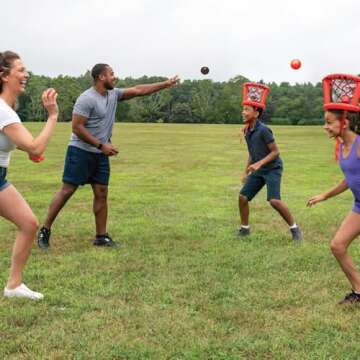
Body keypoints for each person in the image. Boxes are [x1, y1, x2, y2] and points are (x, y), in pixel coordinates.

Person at [37, 63, 179, 249]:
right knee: (67, 191)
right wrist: (100, 145)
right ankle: (45, 230)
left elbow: (138, 90)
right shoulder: (86, 99)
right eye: (111, 74)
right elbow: (77, 127)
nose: (115, 77)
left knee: (102, 193)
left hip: (100, 153)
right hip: (80, 151)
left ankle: (101, 237)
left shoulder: (113, 94)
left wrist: (165, 84)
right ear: (101, 77)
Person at [0, 51, 58, 299]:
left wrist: (30, 151)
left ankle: (14, 286)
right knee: (28, 223)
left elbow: (26, 146)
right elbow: (35, 146)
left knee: (28, 223)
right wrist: (53, 115)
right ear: (4, 75)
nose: (26, 74)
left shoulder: (8, 109)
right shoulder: (4, 111)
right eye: (21, 70)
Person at [308, 74, 360, 305]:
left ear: (344, 122)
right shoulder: (341, 147)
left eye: (329, 122)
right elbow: (350, 178)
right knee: (338, 246)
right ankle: (359, 291)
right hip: (359, 206)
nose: (325, 126)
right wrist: (324, 195)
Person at [238, 82, 303, 242]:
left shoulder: (264, 130)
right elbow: (252, 152)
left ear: (257, 113)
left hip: (273, 168)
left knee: (274, 201)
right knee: (243, 197)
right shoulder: (247, 130)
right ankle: (245, 229)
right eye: (244, 108)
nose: (243, 112)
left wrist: (259, 164)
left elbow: (276, 152)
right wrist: (247, 171)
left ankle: (295, 229)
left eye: (247, 109)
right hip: (259, 169)